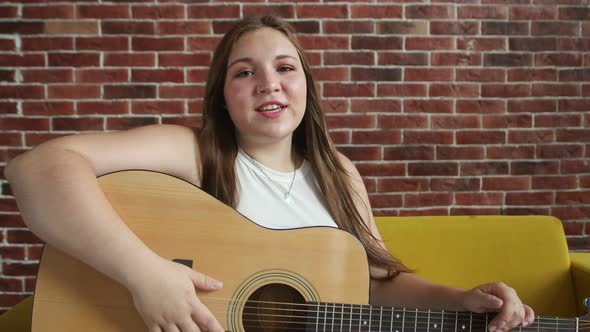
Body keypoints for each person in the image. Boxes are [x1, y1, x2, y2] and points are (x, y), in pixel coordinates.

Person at [5, 16, 534, 332]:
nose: (268, 83)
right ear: (224, 95)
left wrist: (463, 301)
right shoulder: (193, 152)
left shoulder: (340, 174)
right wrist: (145, 274)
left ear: (306, 85)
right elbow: (37, 169)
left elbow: (373, 286)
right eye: (245, 72)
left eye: (285, 67)